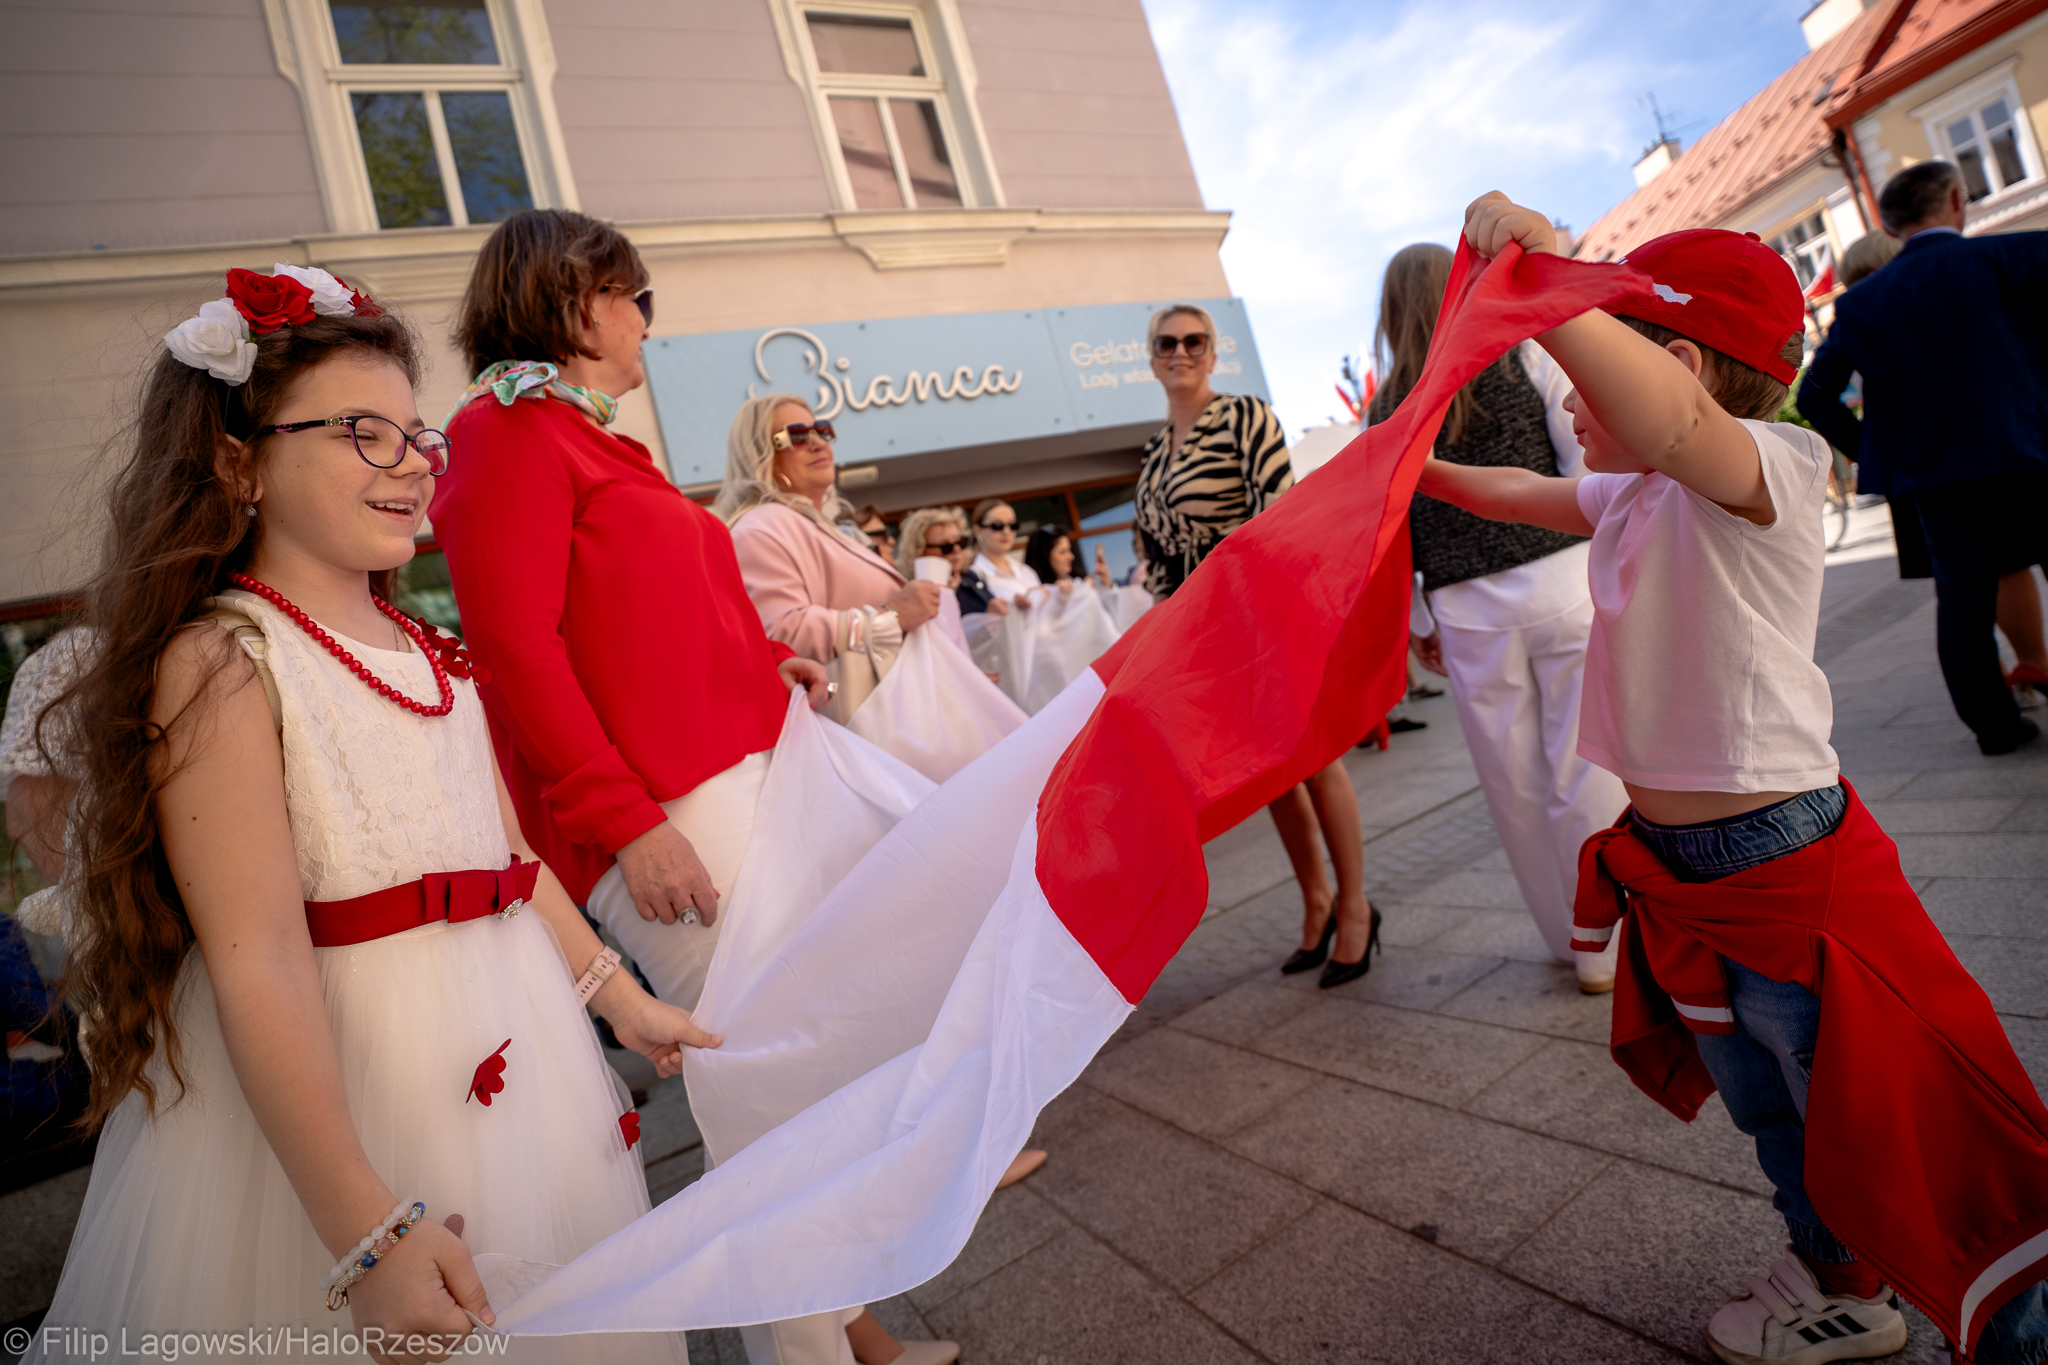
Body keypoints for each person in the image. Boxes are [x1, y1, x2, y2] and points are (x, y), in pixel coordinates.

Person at [34, 267, 714, 1359]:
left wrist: (618, 997)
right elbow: (258, 961)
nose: (413, 464)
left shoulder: (431, 650)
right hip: (360, 1093)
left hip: (514, 1046)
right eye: (365, 432)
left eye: (417, 436)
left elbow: (509, 860)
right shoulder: (227, 661)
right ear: (237, 461)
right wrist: (366, 1230)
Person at [1425, 192, 2048, 1365]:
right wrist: (1407, 464)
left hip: (1781, 868)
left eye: (1587, 370)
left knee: (1870, 1107)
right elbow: (1510, 493)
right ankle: (1840, 1283)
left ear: (1671, 363)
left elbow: (1667, 422)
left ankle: (2014, 1320)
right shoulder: (1632, 493)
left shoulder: (1767, 466)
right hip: (1684, 880)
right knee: (1770, 1114)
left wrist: (1551, 279)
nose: (1570, 400)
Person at [434, 212, 942, 1365]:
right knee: (771, 1097)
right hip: (666, 809)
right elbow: (515, 649)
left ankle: (842, 1335)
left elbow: (649, 623)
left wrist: (766, 665)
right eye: (637, 298)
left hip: (729, 781)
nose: (648, 323)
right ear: (575, 300)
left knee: (786, 1087)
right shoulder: (501, 432)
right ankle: (814, 1350)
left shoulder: (591, 440)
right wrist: (628, 826)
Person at [1373, 244, 1626, 993]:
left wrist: (1418, 618)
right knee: (1586, 766)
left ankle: (1565, 940)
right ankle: (1606, 946)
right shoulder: (1523, 356)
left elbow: (1391, 528)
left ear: (1391, 312)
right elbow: (1584, 466)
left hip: (1464, 606)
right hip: (1561, 578)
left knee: (1512, 785)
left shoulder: (1385, 408)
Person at [1132, 303, 1379, 988]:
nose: (1181, 352)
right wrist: (1166, 629)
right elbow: (1156, 555)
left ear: (1213, 353)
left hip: (1257, 613)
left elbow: (1280, 512)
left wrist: (1273, 610)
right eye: (1167, 343)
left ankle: (1356, 906)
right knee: (1268, 774)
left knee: (1315, 757)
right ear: (1152, 358)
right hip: (1197, 634)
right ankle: (1317, 901)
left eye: (1195, 341)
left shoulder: (1244, 416)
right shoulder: (1153, 452)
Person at [1798, 161, 2048, 753]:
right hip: (2032, 450)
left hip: (1936, 477)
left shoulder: (1862, 303)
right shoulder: (2019, 254)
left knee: (1963, 600)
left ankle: (1995, 728)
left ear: (1889, 225)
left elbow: (1814, 395)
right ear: (1958, 199)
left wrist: (1878, 451)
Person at [717, 396, 942, 669]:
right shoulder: (759, 529)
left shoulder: (803, 523)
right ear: (759, 454)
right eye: (797, 436)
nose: (819, 443)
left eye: (821, 430)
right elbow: (782, 635)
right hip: (852, 694)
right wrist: (892, 616)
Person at [894, 506, 974, 655]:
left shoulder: (972, 579)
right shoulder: (913, 595)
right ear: (919, 550)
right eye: (946, 546)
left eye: (961, 542)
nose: (957, 549)